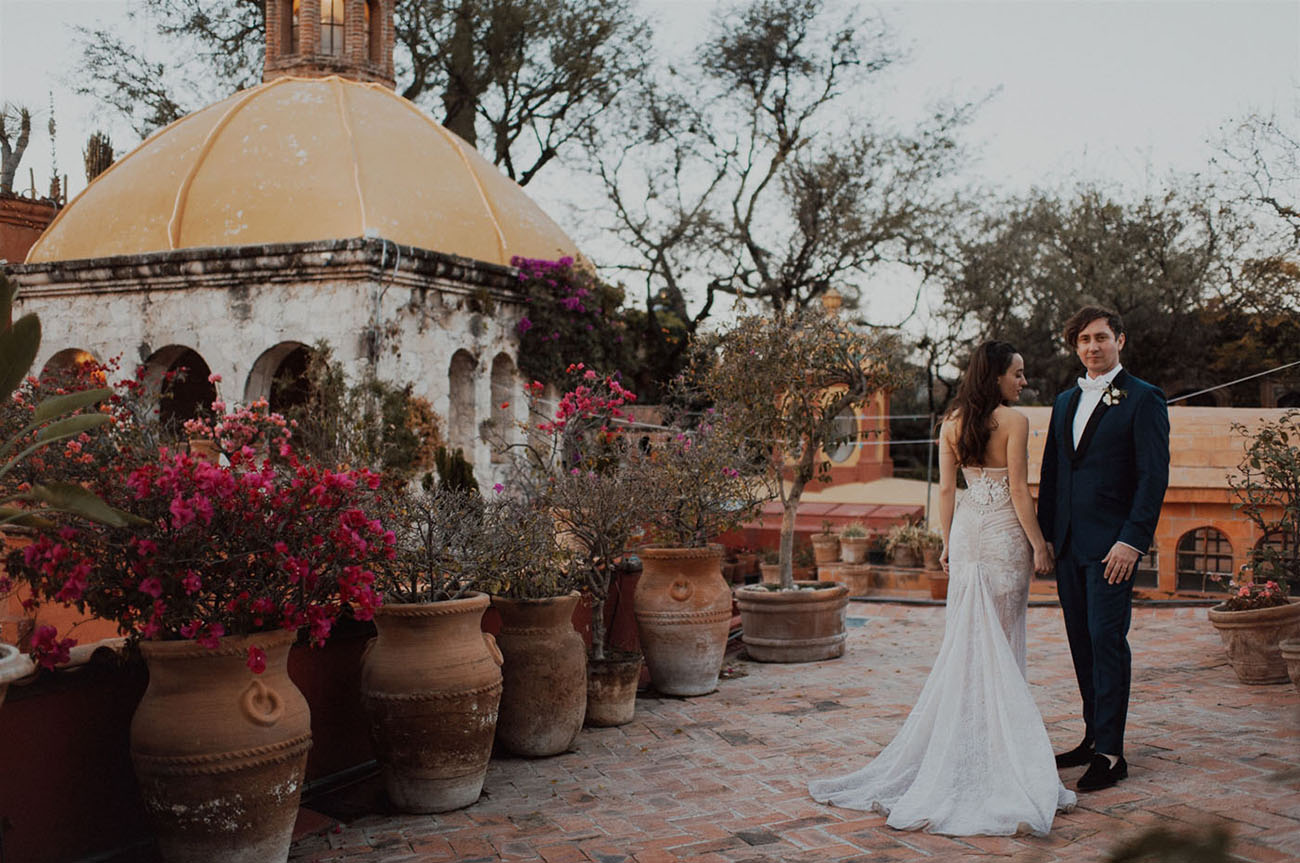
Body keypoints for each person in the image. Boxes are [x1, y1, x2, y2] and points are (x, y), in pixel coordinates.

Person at [808, 340, 1076, 836]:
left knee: (971, 646)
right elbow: (1019, 491)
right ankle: (997, 759)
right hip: (1004, 538)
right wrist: (1039, 544)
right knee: (1000, 643)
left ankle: (968, 746)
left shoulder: (949, 424)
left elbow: (948, 491)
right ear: (995, 375)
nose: (1023, 382)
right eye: (1017, 373)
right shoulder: (1015, 423)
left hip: (970, 534)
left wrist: (947, 544)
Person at [1037, 307, 1169, 792]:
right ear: (1075, 347)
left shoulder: (1144, 399)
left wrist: (1132, 540)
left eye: (1100, 338)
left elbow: (1153, 478)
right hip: (1070, 546)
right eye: (1083, 340)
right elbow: (1054, 473)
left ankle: (1112, 755)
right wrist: (1047, 538)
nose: (1092, 347)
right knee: (1081, 642)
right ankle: (1093, 737)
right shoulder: (1065, 400)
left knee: (1107, 640)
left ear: (1120, 340)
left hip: (1114, 548)